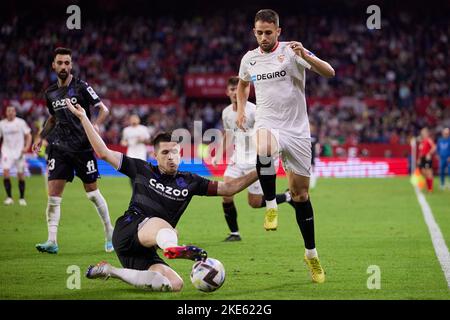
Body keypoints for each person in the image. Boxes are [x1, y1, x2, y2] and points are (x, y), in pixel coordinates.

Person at [65, 98, 260, 292]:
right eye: (165, 152)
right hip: (129, 229)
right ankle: (173, 247)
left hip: (146, 249)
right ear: (155, 156)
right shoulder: (141, 168)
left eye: (174, 152)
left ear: (181, 154)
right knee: (165, 227)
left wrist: (261, 170)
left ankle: (111, 271)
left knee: (174, 284)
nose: (170, 157)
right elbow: (103, 152)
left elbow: (229, 189)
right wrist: (83, 118)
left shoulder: (191, 181)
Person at [236, 9, 335, 283]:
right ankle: (271, 205)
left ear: (278, 31)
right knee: (264, 147)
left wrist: (306, 55)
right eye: (259, 32)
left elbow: (330, 72)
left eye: (269, 32)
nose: (264, 37)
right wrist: (242, 110)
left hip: (298, 131)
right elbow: (243, 85)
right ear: (253, 32)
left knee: (301, 195)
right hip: (269, 123)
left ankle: (311, 255)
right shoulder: (249, 59)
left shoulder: (293, 51)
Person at [32, 47, 114, 254]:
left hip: (83, 149)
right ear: (53, 65)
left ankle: (109, 233)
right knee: (53, 196)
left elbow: (104, 109)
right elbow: (53, 118)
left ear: (71, 65)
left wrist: (95, 125)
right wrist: (41, 138)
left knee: (93, 194)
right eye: (60, 63)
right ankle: (52, 241)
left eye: (67, 63)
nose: (63, 66)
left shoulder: (82, 87)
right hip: (58, 148)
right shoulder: (50, 92)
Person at [212, 76, 291, 241]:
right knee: (226, 194)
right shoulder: (226, 112)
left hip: (254, 160)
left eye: (238, 89)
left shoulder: (255, 111)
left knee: (254, 203)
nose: (235, 93)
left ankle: (289, 197)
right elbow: (228, 133)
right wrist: (219, 153)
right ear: (227, 92)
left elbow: (267, 132)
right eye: (232, 89)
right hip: (237, 158)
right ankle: (235, 233)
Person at [0, 106, 32, 206]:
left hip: (19, 152)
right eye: (8, 111)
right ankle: (9, 197)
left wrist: (26, 147)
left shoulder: (20, 122)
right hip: (6, 151)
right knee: (5, 173)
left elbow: (29, 135)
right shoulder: (2, 124)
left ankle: (22, 198)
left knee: (21, 175)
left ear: (15, 112)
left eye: (12, 111)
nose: (10, 112)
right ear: (6, 112)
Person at [417, 127, 436, 192]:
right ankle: (427, 186)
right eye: (422, 133)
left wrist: (429, 153)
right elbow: (421, 151)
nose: (422, 134)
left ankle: (430, 189)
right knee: (423, 172)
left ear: (427, 133)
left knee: (429, 172)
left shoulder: (429, 140)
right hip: (422, 158)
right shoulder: (422, 141)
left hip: (427, 158)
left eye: (423, 132)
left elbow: (434, 147)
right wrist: (419, 159)